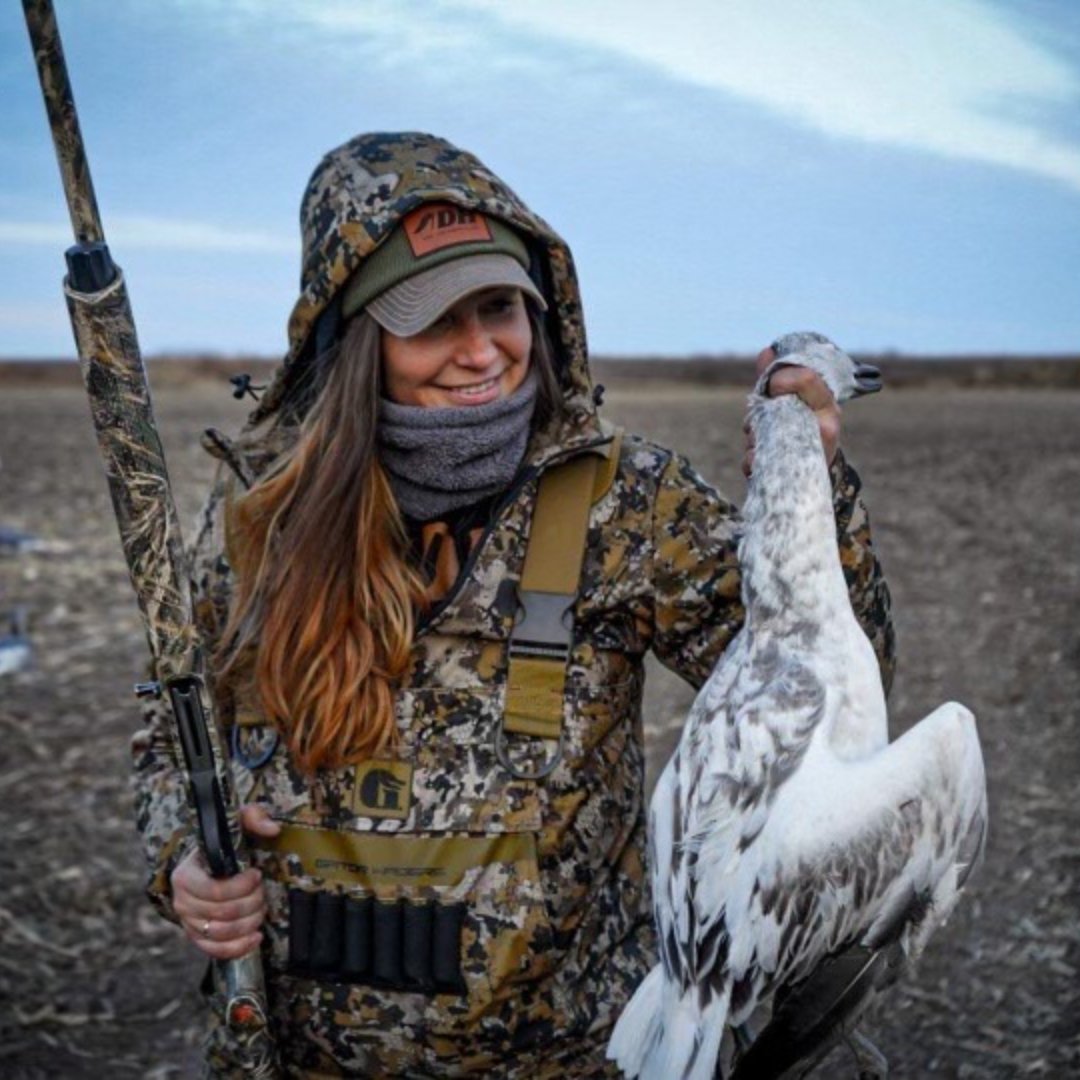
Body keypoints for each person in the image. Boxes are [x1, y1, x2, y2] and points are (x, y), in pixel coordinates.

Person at [132, 131, 895, 1077]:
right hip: (293, 1058)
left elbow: (834, 696)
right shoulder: (262, 507)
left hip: (574, 1060)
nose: (481, 351)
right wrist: (184, 861)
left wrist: (809, 494)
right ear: (354, 341)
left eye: (499, 307)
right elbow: (174, 724)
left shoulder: (627, 501)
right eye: (432, 321)